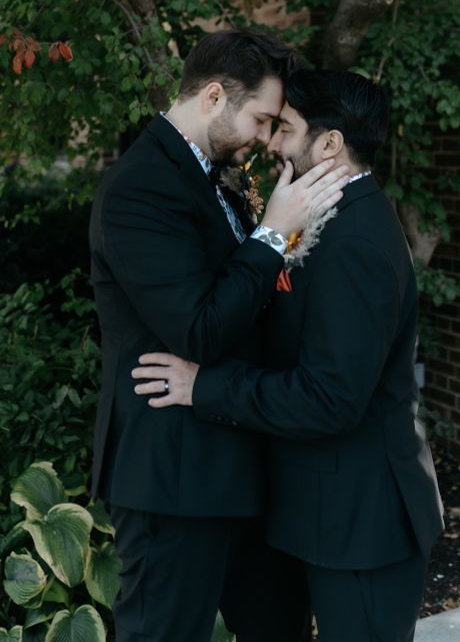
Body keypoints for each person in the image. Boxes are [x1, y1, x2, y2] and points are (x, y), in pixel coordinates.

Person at [132, 69, 445, 642]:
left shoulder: (356, 243)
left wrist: (205, 386)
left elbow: (330, 397)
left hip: (363, 522)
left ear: (330, 144)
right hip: (314, 510)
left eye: (287, 129)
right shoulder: (329, 217)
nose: (272, 143)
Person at [89, 31, 350, 642]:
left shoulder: (209, 174)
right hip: (174, 477)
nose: (264, 138)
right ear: (213, 97)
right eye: (260, 119)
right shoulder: (138, 188)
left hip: (242, 464)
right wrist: (272, 234)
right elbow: (199, 329)